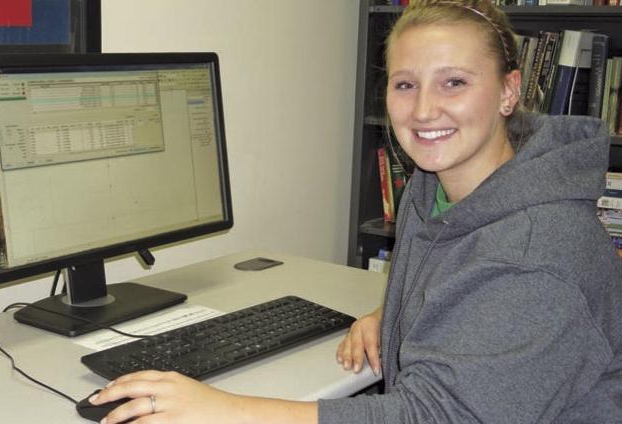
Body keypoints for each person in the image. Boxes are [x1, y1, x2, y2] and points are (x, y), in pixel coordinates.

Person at [90, 0, 622, 422]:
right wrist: (390, 315)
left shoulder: (535, 256)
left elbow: (436, 417)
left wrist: (224, 411)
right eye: (405, 84)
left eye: (454, 82)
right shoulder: (437, 185)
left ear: (509, 92)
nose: (423, 110)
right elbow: (466, 283)